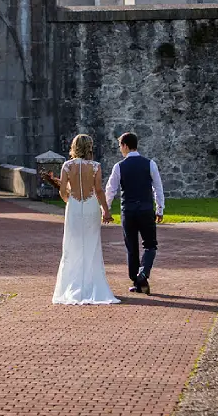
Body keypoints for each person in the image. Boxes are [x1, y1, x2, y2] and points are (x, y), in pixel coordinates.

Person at [52, 134, 119, 305]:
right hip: (90, 206)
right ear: (89, 147)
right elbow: (99, 190)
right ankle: (93, 285)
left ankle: (70, 285)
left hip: (74, 206)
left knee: (72, 244)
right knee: (92, 245)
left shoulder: (67, 166)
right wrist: (106, 211)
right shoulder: (96, 166)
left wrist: (69, 201)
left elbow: (62, 191)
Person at [105, 131, 164, 295]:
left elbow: (111, 190)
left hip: (128, 211)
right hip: (146, 209)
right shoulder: (150, 164)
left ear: (125, 145)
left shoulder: (119, 167)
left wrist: (106, 210)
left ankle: (136, 280)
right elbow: (157, 188)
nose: (120, 150)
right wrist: (160, 208)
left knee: (131, 247)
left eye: (120, 146)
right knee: (150, 245)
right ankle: (143, 273)